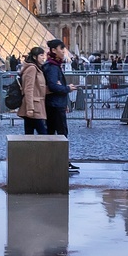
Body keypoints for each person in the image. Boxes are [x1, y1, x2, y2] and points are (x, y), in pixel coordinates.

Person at [41, 39, 79, 172]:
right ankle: (62, 162)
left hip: (55, 104)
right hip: (55, 105)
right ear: (53, 51)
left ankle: (54, 161)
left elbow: (55, 86)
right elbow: (53, 86)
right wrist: (67, 88)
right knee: (62, 134)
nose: (64, 52)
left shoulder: (52, 65)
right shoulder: (52, 67)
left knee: (52, 134)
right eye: (61, 49)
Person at [18, 46, 49, 135]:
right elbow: (29, 89)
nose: (44, 57)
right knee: (43, 134)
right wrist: (30, 108)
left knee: (29, 134)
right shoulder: (32, 69)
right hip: (34, 107)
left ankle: (28, 149)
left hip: (35, 105)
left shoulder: (36, 68)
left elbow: (39, 87)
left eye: (44, 55)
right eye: (41, 55)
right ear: (35, 57)